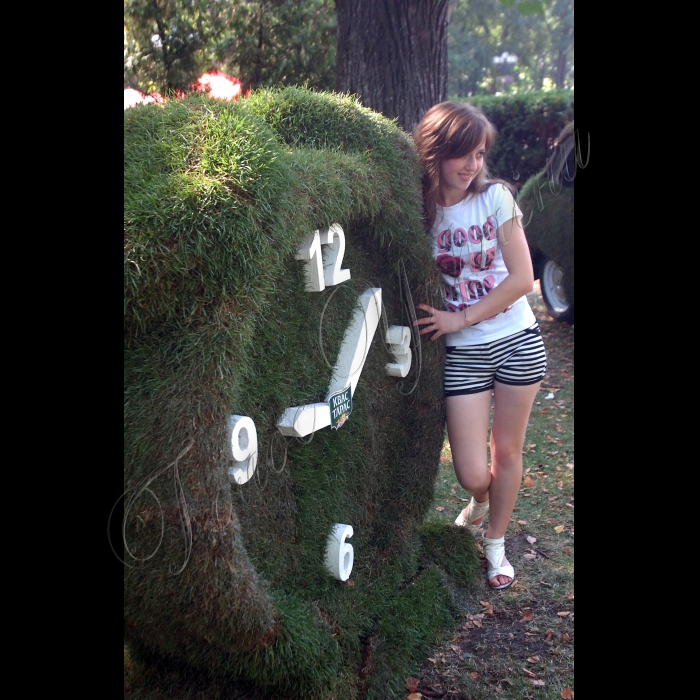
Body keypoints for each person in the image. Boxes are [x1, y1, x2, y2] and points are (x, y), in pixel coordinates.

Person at [412, 101, 547, 590]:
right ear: (435, 153)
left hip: (516, 341)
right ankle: (480, 500)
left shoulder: (496, 200)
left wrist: (461, 317)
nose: (472, 166)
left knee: (506, 453)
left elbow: (523, 279)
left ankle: (495, 544)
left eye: (479, 154)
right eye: (462, 155)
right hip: (465, 354)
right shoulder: (420, 213)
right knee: (472, 472)